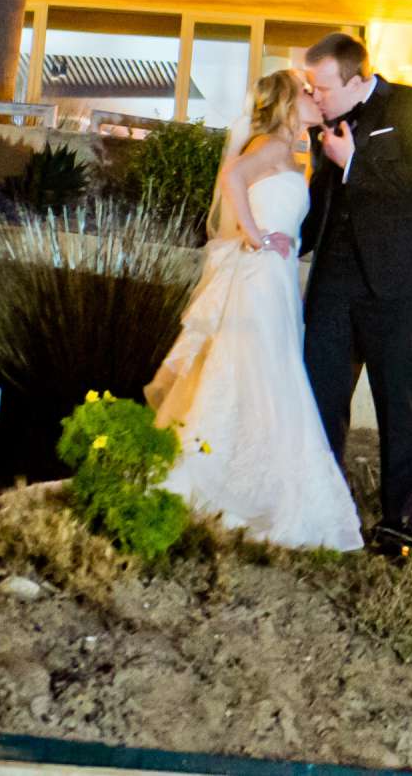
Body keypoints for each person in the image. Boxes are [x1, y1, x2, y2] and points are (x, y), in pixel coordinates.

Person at [142, 71, 362, 552]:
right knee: (265, 376)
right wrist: (255, 235)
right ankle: (245, 484)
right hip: (260, 279)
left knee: (261, 376)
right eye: (307, 93)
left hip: (276, 284)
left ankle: (249, 473)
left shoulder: (292, 153)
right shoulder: (271, 147)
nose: (315, 97)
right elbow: (233, 178)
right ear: (287, 102)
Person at [299, 31, 412, 560]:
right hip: (334, 283)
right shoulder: (323, 128)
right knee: (320, 399)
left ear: (358, 79)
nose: (314, 97)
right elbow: (320, 203)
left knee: (397, 402)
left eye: (321, 88)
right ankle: (326, 513)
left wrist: (353, 162)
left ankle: (399, 527)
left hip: (394, 286)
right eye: (309, 88)